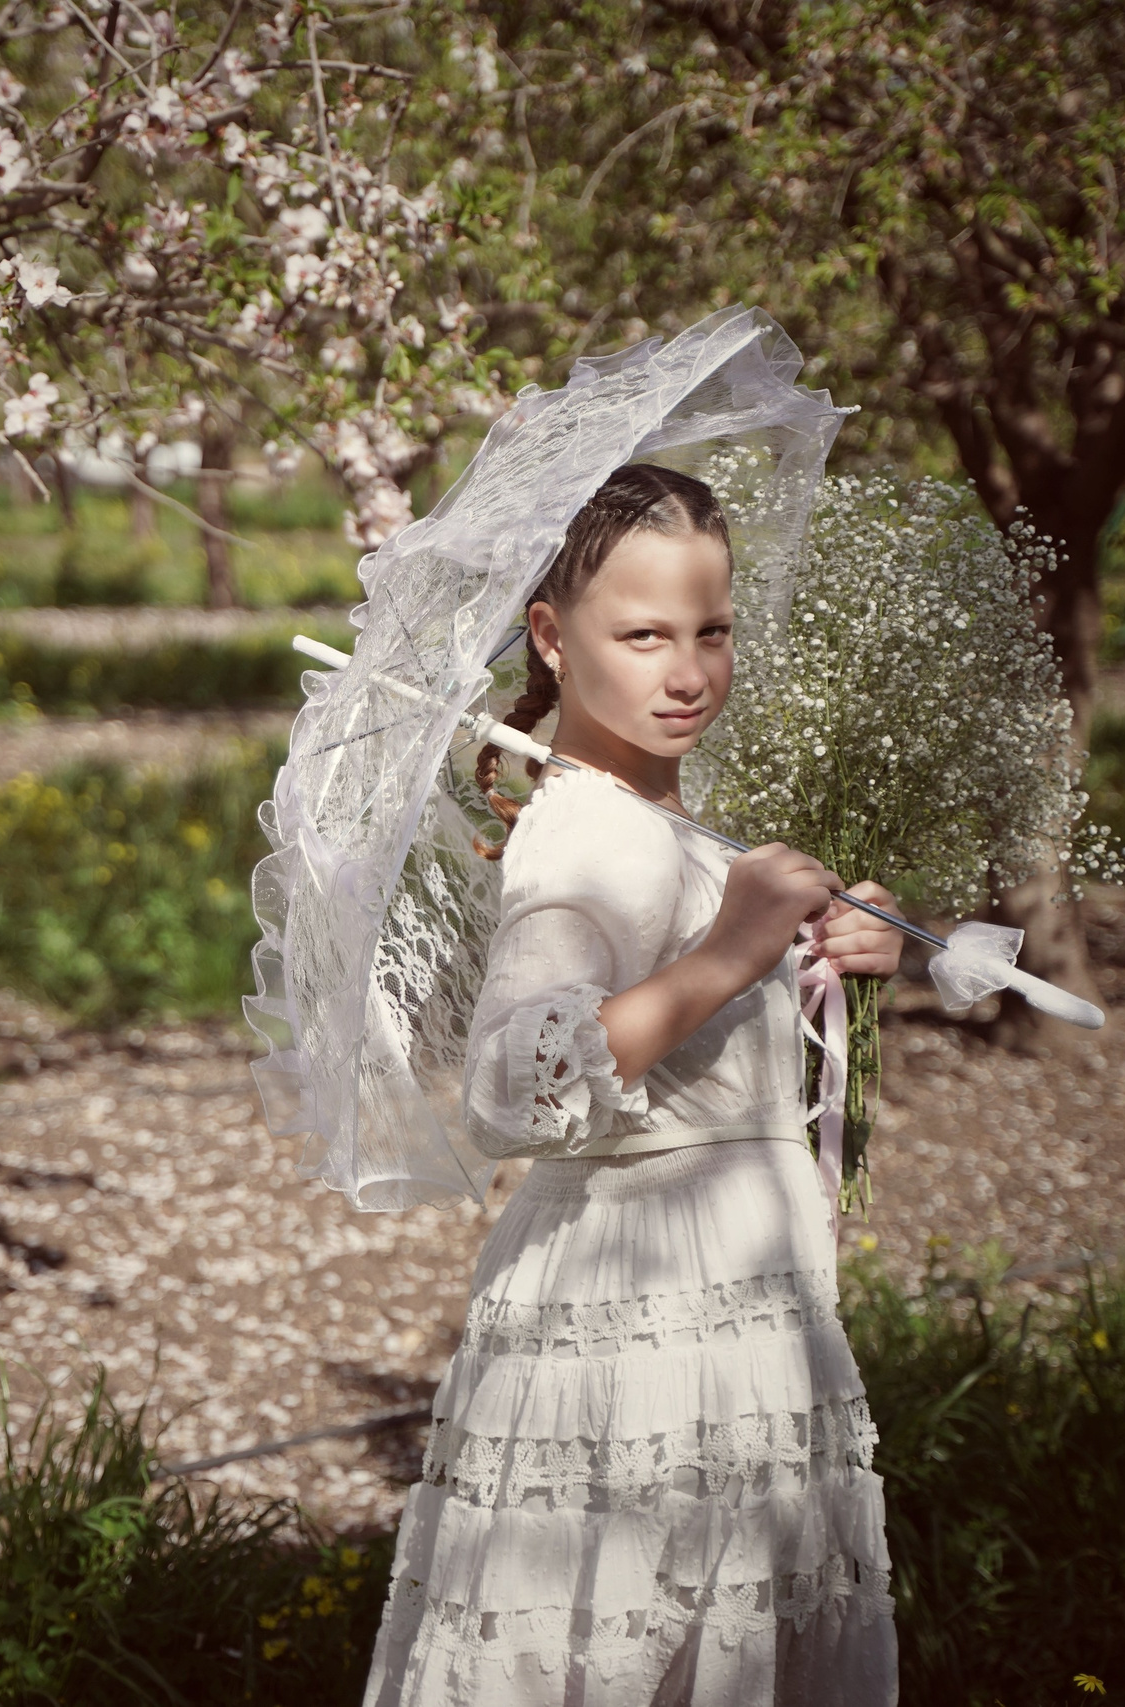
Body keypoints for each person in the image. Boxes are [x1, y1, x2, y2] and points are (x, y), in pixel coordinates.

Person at [365, 464, 905, 1707]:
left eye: (711, 631)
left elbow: (716, 1072)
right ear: (551, 637)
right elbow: (513, 1086)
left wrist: (831, 958)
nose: (688, 672)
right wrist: (731, 950)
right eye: (645, 634)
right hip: (644, 1310)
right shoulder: (588, 837)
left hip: (725, 1294)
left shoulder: (661, 816)